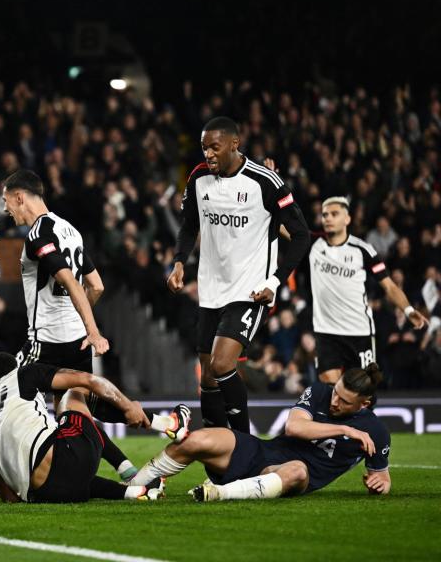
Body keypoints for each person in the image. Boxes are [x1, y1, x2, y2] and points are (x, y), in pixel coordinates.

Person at [167, 117, 310, 432]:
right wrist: (179, 261)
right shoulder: (198, 177)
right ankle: (218, 457)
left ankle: (243, 444)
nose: (208, 155)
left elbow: (301, 235)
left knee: (221, 365)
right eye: (204, 148)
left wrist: (274, 281)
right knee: (207, 376)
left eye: (215, 147)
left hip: (251, 290)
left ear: (235, 143)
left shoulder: (266, 182)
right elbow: (190, 224)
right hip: (211, 289)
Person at [1, 169, 137, 480]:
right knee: (75, 415)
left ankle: (2, 478)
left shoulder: (38, 234)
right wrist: (81, 325)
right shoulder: (70, 230)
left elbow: (70, 283)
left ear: (19, 197)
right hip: (75, 341)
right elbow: (97, 285)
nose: (6, 208)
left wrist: (94, 331)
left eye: (7, 200)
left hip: (45, 341)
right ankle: (127, 468)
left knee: (7, 399)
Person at [128, 364, 391, 501]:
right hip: (262, 451)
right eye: (336, 393)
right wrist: (345, 428)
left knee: (298, 469)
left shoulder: (376, 432)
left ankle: (220, 493)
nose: (335, 402)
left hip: (289, 475)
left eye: (344, 401)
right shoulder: (321, 391)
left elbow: (381, 476)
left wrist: (380, 484)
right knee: (196, 440)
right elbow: (294, 427)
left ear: (364, 403)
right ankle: (132, 487)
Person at [0, 352, 189, 503]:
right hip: (67, 460)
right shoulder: (22, 375)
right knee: (73, 390)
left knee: (69, 439)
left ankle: (135, 491)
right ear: (16, 368)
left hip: (44, 493)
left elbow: (8, 496)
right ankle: (166, 423)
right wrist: (127, 406)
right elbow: (88, 380)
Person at [306, 196, 427, 383]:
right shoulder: (313, 244)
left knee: (362, 395)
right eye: (324, 215)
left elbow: (389, 286)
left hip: (358, 332)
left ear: (347, 219)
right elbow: (282, 228)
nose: (328, 218)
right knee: (329, 392)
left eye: (334, 214)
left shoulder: (362, 250)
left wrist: (409, 310)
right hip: (326, 332)